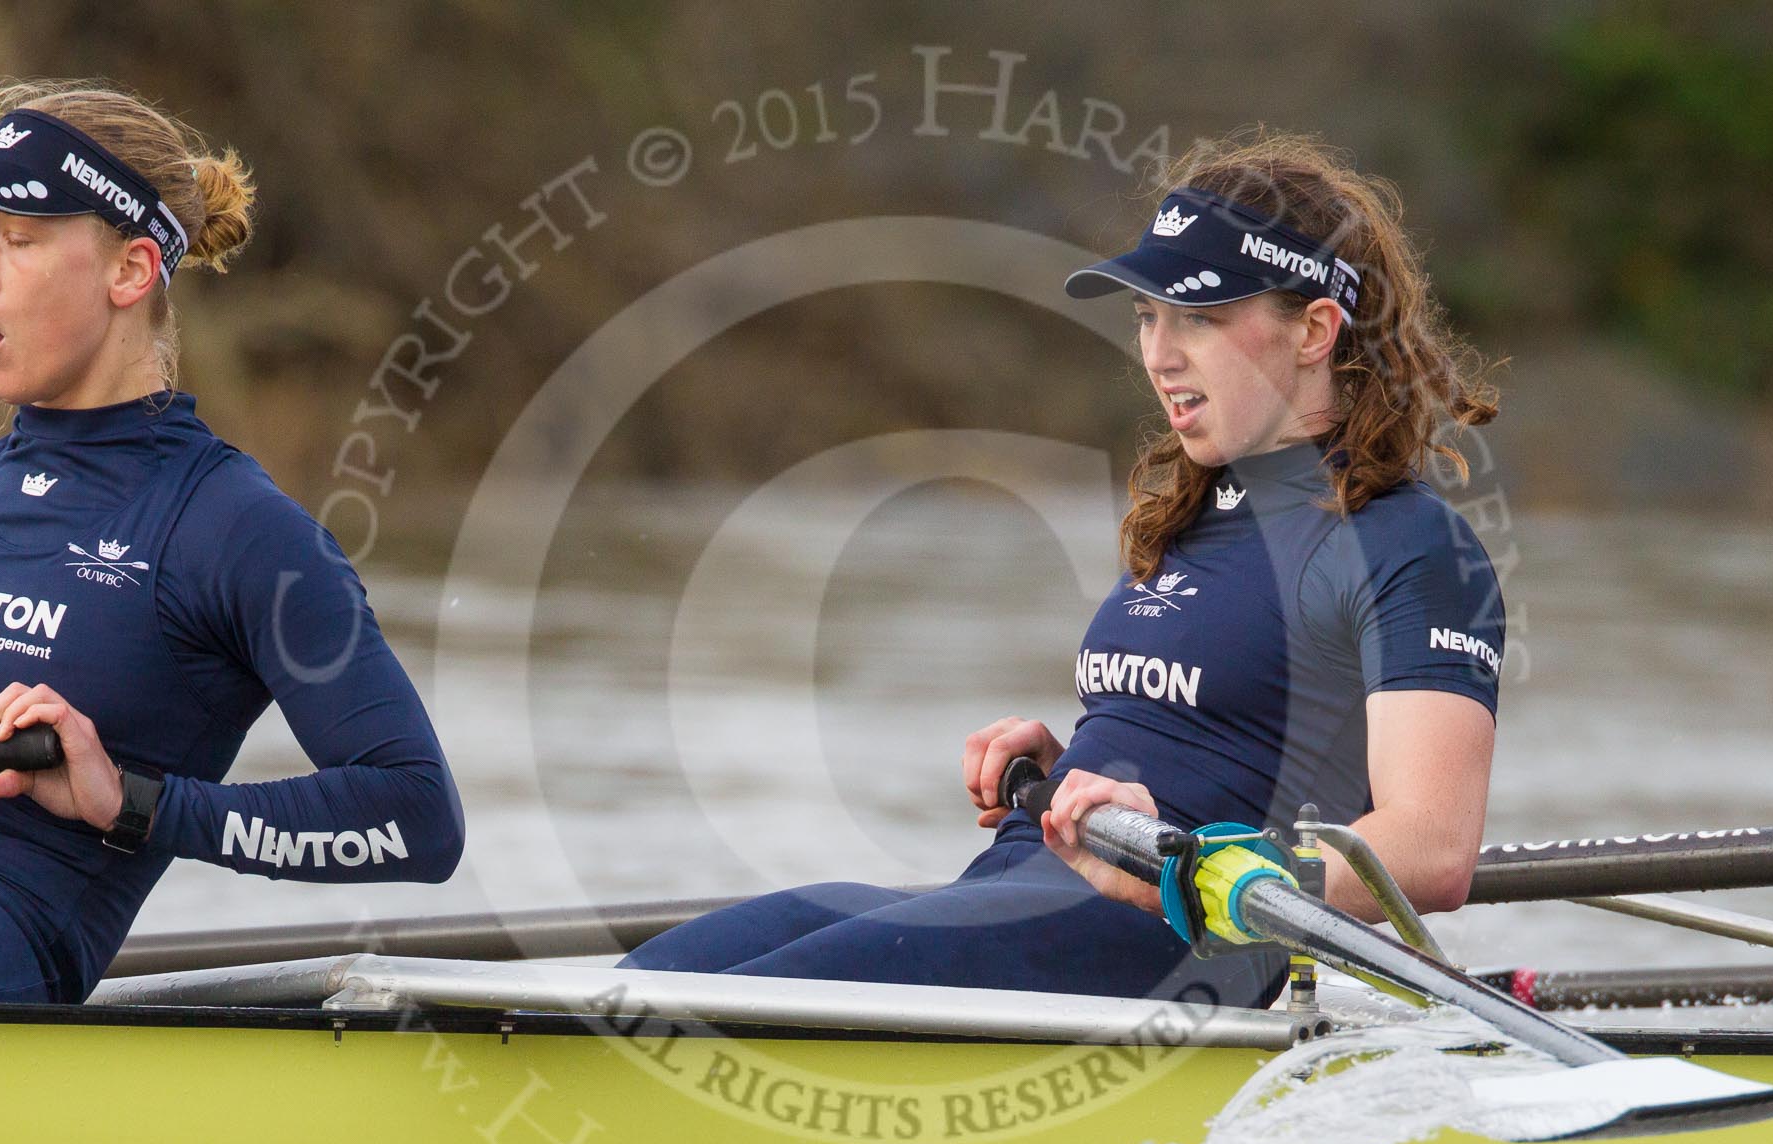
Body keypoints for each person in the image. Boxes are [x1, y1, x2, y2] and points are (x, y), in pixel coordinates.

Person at [624, 131, 1504, 1007]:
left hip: (1172, 944)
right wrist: (1066, 765)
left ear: (1314, 329)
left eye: (1198, 317)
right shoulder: (1195, 516)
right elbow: (1213, 735)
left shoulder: (1412, 547)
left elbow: (1429, 851)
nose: (1159, 354)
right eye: (1147, 316)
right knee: (642, 984)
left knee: (688, 1023)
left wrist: (1190, 867)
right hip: (1015, 887)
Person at [0, 80, 462, 1004]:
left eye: (19, 239)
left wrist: (133, 802)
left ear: (130, 272)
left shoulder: (236, 532)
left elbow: (420, 818)